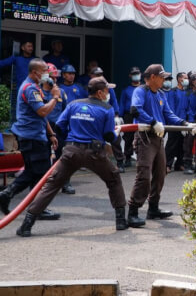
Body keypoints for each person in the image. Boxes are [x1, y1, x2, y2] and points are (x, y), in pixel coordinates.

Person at [15, 77, 130, 236]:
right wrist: (115, 133)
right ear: (99, 92)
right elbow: (109, 135)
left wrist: (71, 140)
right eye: (107, 90)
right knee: (114, 178)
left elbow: (59, 127)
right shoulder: (107, 109)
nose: (108, 93)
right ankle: (121, 221)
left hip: (71, 151)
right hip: (94, 153)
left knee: (52, 185)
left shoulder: (73, 105)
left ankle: (26, 225)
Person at [127, 64, 196, 227]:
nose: (164, 80)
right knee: (144, 175)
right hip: (145, 137)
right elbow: (135, 109)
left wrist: (185, 123)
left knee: (160, 174)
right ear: (152, 77)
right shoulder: (141, 91)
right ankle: (133, 211)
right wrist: (152, 122)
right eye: (162, 77)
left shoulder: (160, 94)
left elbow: (168, 114)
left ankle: (153, 208)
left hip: (158, 138)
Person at [0, 58, 62, 219]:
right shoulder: (30, 89)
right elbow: (42, 111)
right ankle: (9, 194)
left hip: (34, 136)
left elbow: (41, 117)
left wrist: (51, 133)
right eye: (44, 70)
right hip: (32, 137)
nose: (47, 74)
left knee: (34, 172)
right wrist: (55, 97)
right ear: (35, 72)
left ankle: (34, 207)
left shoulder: (35, 87)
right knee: (39, 174)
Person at [41, 63, 74, 195]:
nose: (54, 80)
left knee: (63, 157)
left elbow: (66, 111)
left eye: (55, 77)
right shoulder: (38, 92)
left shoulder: (61, 92)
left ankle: (64, 183)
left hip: (59, 128)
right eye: (51, 77)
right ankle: (43, 184)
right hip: (43, 127)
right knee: (43, 156)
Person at [90, 66, 125, 171]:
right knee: (94, 140)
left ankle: (120, 163)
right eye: (97, 75)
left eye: (100, 75)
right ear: (91, 76)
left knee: (115, 139)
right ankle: (95, 162)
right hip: (95, 117)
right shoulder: (90, 87)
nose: (99, 77)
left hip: (108, 116)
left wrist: (116, 115)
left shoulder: (107, 87)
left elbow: (114, 101)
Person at [0, 41, 36, 120]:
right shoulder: (17, 58)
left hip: (34, 90)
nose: (31, 48)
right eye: (29, 46)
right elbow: (2, 63)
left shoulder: (35, 60)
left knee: (33, 111)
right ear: (23, 48)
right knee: (19, 112)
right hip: (21, 90)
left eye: (32, 46)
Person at [165, 72, 189, 171]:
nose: (187, 79)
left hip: (184, 122)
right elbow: (171, 108)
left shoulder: (186, 92)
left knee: (182, 144)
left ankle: (179, 164)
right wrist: (176, 121)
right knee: (171, 144)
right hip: (175, 123)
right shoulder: (173, 92)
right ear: (179, 79)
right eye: (185, 78)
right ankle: (167, 165)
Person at [119, 67, 141, 169]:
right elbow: (122, 103)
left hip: (141, 115)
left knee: (142, 136)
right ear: (130, 76)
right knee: (128, 137)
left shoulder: (143, 88)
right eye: (134, 74)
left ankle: (141, 158)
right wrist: (120, 116)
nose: (136, 75)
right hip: (128, 115)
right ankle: (128, 157)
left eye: (137, 73)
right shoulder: (126, 90)